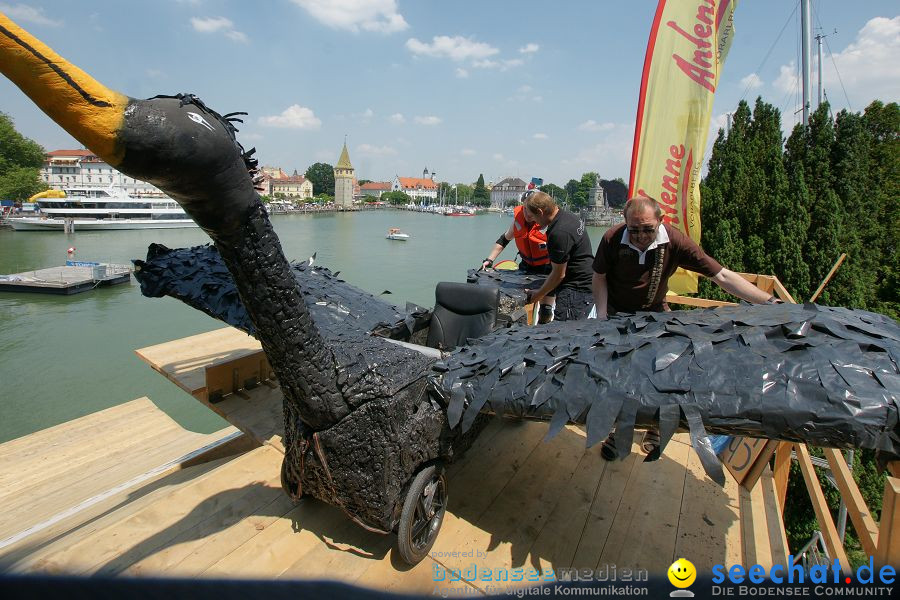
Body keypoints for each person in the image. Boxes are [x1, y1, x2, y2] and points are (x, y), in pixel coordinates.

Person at [591, 195, 780, 459]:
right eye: (634, 230)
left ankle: (654, 426)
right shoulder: (612, 238)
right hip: (617, 316)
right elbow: (598, 277)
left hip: (655, 315)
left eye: (648, 229)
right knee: (619, 377)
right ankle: (618, 431)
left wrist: (770, 302)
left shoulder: (675, 241)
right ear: (624, 222)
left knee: (660, 375)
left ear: (660, 221)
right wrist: (601, 318)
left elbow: (722, 275)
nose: (641, 236)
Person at [481, 191, 555, 323]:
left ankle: (544, 330)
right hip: (526, 266)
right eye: (524, 208)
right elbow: (504, 240)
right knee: (521, 303)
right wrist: (489, 260)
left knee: (545, 310)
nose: (526, 214)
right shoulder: (518, 219)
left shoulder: (549, 223)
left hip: (547, 268)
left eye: (530, 210)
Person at [521, 190, 595, 321]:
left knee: (564, 333)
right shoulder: (569, 217)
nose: (535, 222)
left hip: (575, 290)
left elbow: (558, 274)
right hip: (586, 282)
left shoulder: (559, 233)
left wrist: (537, 295)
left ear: (540, 212)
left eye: (534, 217)